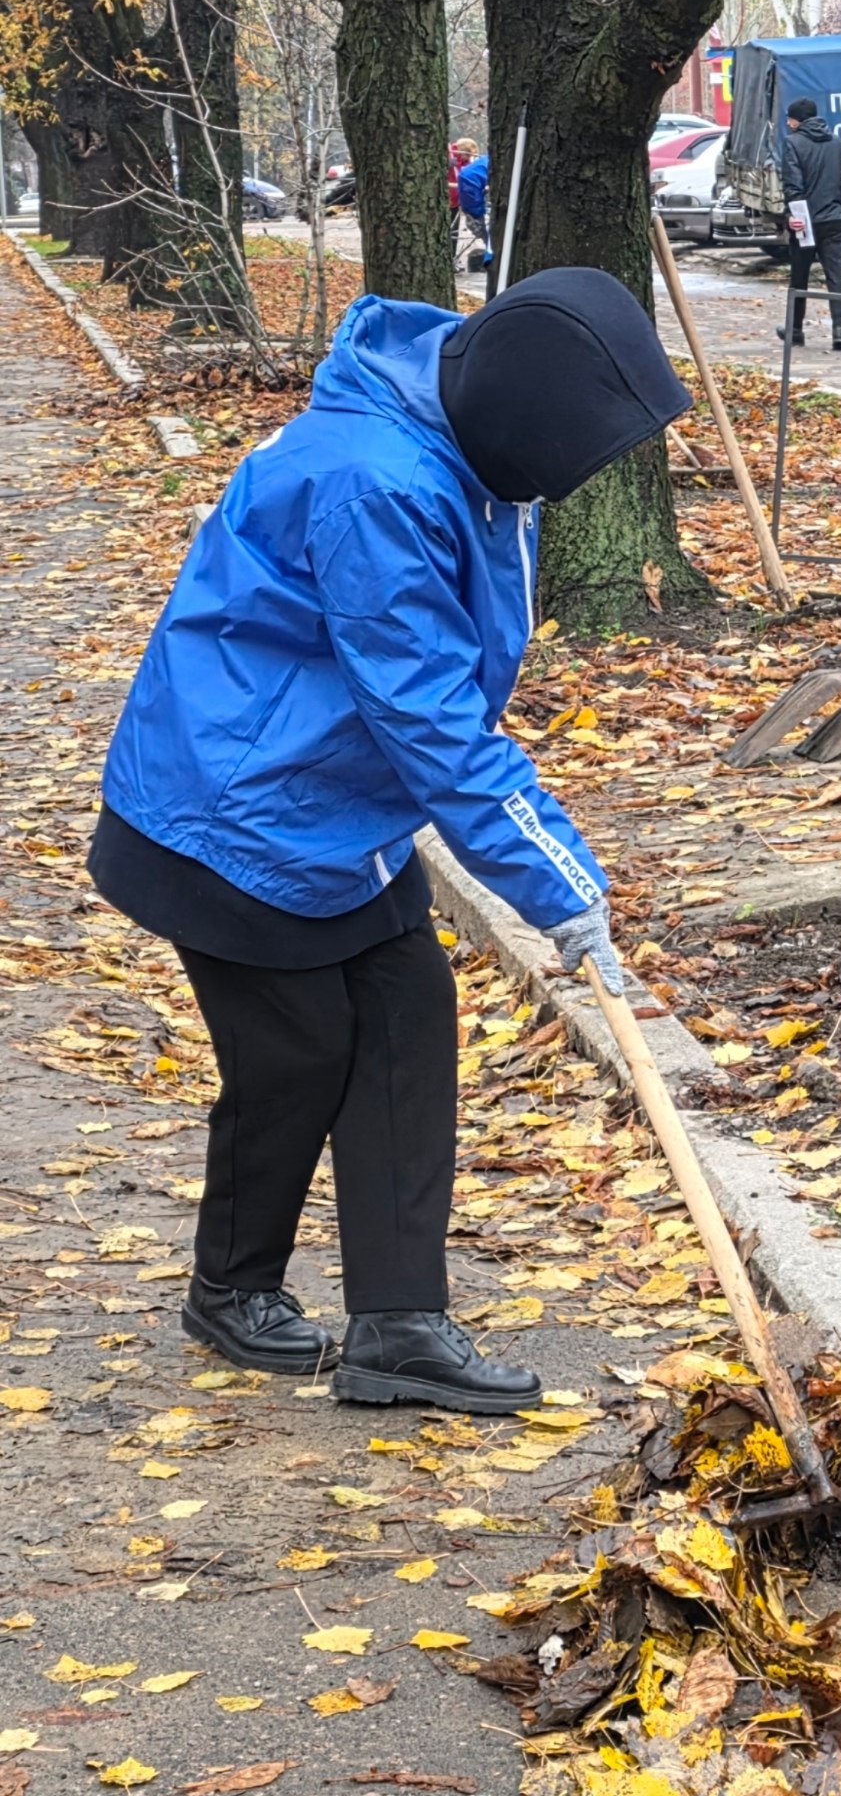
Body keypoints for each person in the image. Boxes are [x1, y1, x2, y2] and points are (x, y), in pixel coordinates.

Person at [90, 268, 689, 1412]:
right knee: (299, 1053)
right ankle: (232, 1288)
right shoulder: (379, 483)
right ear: (525, 422)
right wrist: (563, 889)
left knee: (409, 1009)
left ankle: (399, 1327)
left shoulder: (445, 440)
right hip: (230, 812)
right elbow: (431, 719)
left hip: (327, 807)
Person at [777, 97, 841, 350]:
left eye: (789, 118)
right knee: (835, 275)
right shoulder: (836, 142)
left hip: (806, 222)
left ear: (797, 120)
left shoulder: (793, 144)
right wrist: (836, 203)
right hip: (833, 218)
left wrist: (794, 216)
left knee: (799, 276)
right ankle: (838, 330)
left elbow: (793, 185)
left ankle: (796, 330)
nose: (788, 123)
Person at [454, 147, 491, 273]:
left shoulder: (483, 163)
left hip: (470, 186)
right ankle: (489, 257)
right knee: (481, 227)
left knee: (482, 228)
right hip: (471, 188)